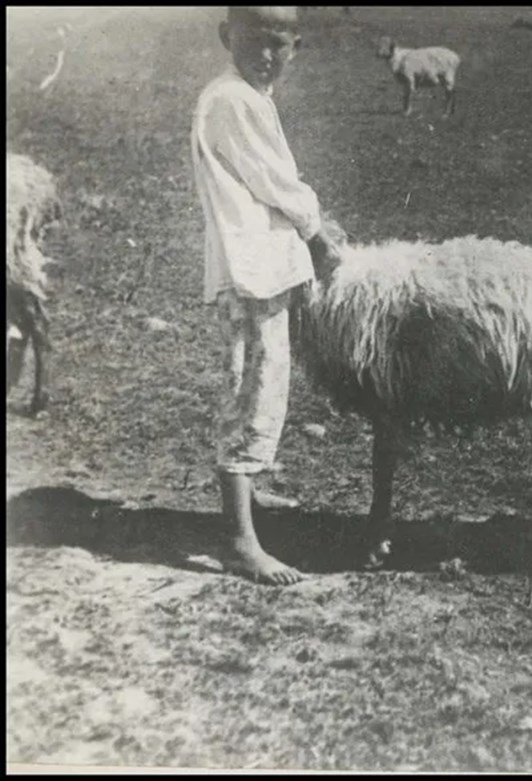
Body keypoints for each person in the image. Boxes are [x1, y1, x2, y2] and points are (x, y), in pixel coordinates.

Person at [191, 6, 343, 585]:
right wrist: (318, 230)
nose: (268, 53)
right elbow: (274, 182)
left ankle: (246, 496)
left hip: (265, 265)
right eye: (255, 40)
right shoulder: (231, 99)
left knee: (266, 380)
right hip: (249, 267)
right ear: (228, 35)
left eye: (280, 43)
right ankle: (238, 539)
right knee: (250, 389)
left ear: (296, 45)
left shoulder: (252, 97)